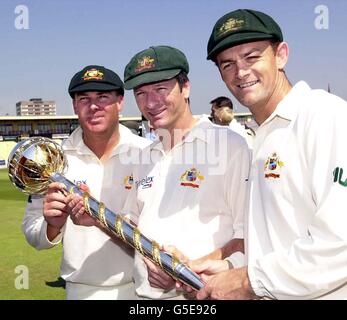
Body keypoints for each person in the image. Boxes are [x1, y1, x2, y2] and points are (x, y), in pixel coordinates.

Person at [67, 45, 250, 299]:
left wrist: (186, 269)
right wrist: (97, 218)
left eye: (161, 89)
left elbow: (248, 234)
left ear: (186, 87)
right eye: (141, 93)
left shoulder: (230, 146)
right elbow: (133, 230)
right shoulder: (145, 156)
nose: (151, 103)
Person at [190, 8, 347, 300]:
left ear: (281, 55)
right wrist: (230, 267)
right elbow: (276, 236)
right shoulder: (259, 135)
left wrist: (248, 280)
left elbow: (341, 242)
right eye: (227, 64)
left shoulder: (324, 115)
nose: (241, 72)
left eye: (252, 57)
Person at [22, 65, 149, 299]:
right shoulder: (55, 160)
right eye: (84, 99)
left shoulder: (148, 154)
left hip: (142, 289)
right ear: (74, 105)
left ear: (120, 102)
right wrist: (52, 225)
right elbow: (32, 230)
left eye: (103, 97)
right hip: (82, 291)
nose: (93, 107)